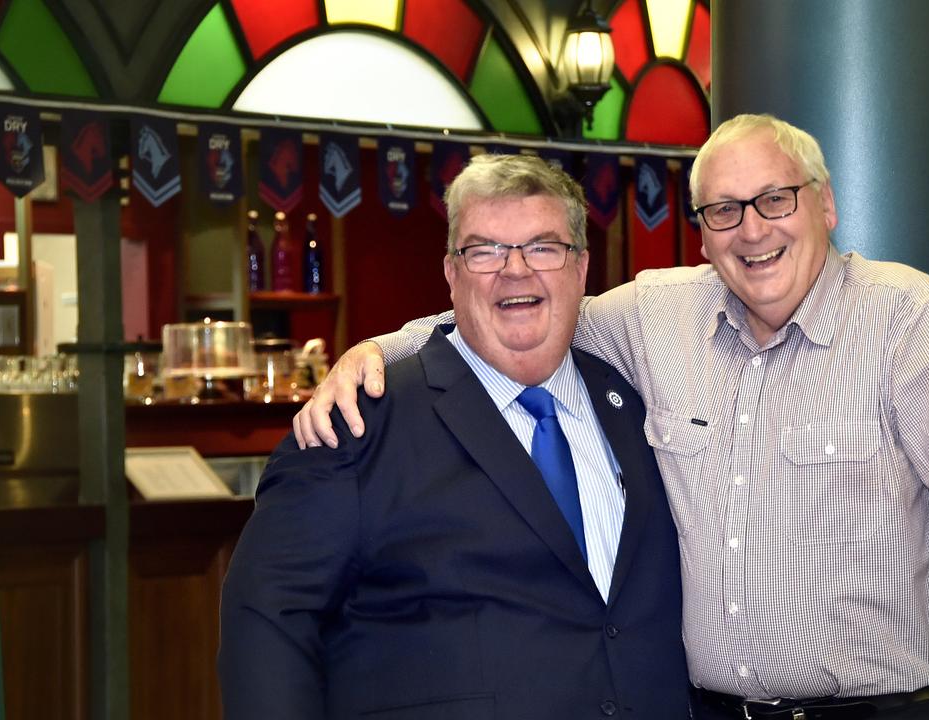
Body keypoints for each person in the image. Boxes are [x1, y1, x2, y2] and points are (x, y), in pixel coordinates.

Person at [294, 115, 929, 720]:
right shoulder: (656, 315)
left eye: (775, 200)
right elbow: (520, 307)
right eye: (723, 211)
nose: (753, 231)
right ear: (702, 233)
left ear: (825, 206)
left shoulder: (907, 320)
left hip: (887, 714)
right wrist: (374, 349)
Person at [219, 154, 689, 719]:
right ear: (451, 272)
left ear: (581, 268)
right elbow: (267, 620)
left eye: (543, 246)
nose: (515, 271)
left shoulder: (636, 406)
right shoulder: (359, 423)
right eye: (485, 250)